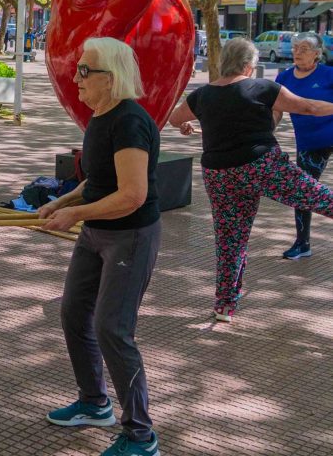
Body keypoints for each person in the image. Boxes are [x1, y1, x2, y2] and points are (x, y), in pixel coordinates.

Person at [39, 37, 162, 456]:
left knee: (112, 329)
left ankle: (141, 436)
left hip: (130, 236)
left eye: (84, 71)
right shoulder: (99, 118)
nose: (76, 79)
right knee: (74, 312)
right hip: (97, 231)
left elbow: (132, 195)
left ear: (111, 79)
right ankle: (94, 403)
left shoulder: (129, 121)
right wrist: (63, 201)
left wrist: (75, 215)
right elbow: (99, 181)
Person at [168, 37, 333, 323]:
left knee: (230, 239)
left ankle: (224, 306)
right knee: (319, 197)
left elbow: (173, 118)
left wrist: (185, 124)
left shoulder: (202, 94)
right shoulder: (262, 87)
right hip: (262, 165)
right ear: (248, 65)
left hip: (219, 174)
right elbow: (308, 107)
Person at [273, 32, 333, 259]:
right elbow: (276, 112)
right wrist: (267, 131)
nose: (297, 52)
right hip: (309, 143)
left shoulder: (329, 74)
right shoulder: (284, 79)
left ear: (317, 54)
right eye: (295, 47)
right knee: (303, 191)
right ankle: (302, 243)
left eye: (304, 48)